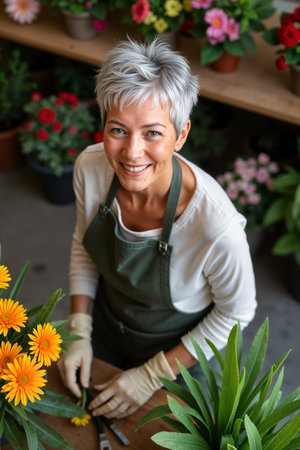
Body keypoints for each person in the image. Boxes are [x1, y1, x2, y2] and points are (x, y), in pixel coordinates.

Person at [58, 38, 257, 419]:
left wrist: (152, 375)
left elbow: (236, 313)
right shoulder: (91, 168)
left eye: (152, 133)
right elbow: (85, 245)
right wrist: (79, 328)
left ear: (180, 135)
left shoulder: (217, 225)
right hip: (107, 323)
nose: (132, 153)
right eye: (118, 130)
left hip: (182, 355)